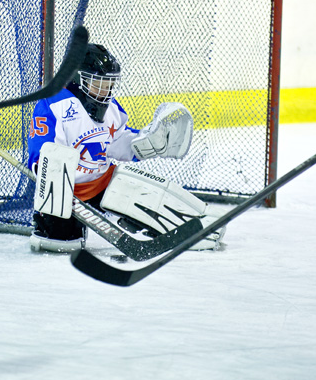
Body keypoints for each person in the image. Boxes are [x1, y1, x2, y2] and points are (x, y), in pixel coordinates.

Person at [26, 42, 223, 254]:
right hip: (68, 193)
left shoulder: (111, 108)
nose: (105, 90)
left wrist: (144, 144)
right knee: (60, 241)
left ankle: (195, 223)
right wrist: (46, 171)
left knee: (140, 188)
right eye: (97, 83)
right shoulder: (54, 103)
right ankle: (52, 223)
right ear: (76, 79)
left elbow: (117, 142)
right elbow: (43, 152)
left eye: (109, 84)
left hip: (102, 184)